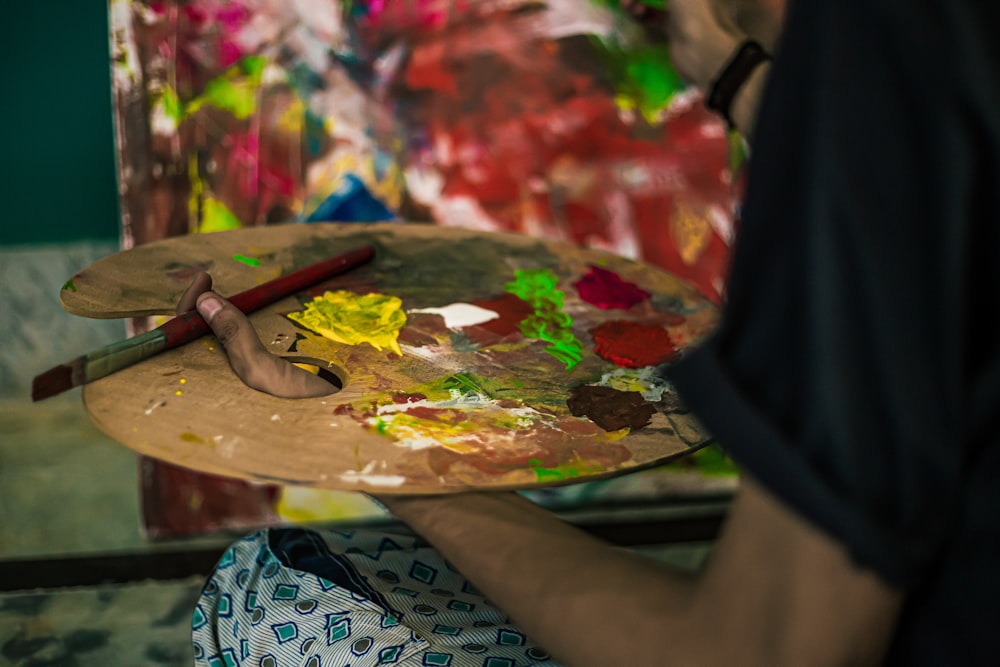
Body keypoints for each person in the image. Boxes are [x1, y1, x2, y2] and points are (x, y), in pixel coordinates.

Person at [186, 0, 1000, 664]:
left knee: (267, 600)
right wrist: (739, 77)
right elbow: (930, 210)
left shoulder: (878, 46)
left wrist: (362, 440)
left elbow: (753, 650)